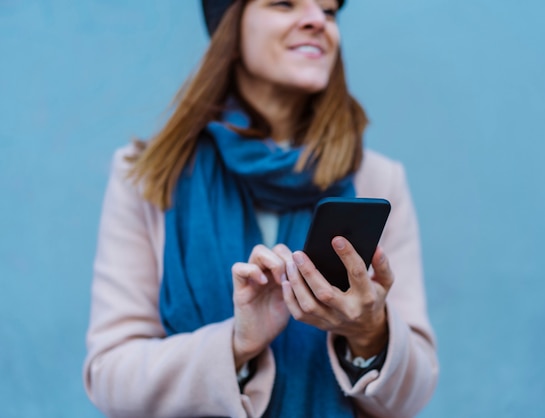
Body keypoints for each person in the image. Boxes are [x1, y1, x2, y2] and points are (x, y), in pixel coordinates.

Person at [83, 0, 439, 417]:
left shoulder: (378, 180)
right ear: (229, 32)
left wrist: (369, 332)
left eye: (328, 11)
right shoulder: (147, 175)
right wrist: (237, 343)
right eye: (284, 3)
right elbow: (109, 377)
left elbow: (415, 394)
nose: (315, 20)